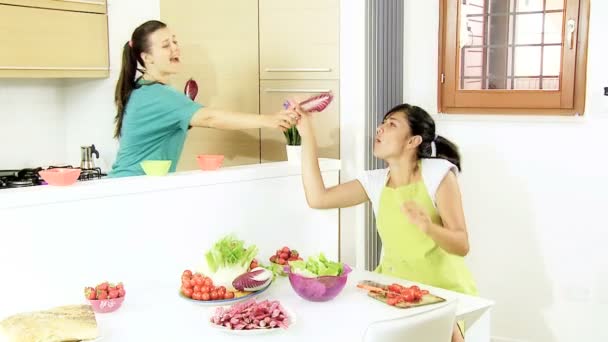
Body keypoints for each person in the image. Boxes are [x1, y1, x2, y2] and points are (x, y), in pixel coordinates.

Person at [294, 103, 477, 341]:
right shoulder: (376, 182)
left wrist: (428, 227)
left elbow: (461, 245)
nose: (380, 129)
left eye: (392, 124)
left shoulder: (438, 175)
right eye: (383, 123)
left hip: (443, 293)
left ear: (413, 141)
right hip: (393, 291)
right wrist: (308, 136)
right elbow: (318, 198)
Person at [109, 20, 296, 177]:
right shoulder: (159, 95)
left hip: (130, 186)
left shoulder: (143, 89)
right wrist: (270, 120)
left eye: (175, 42)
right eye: (166, 45)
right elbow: (211, 118)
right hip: (133, 188)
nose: (175, 48)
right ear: (147, 57)